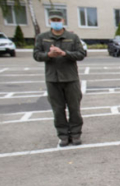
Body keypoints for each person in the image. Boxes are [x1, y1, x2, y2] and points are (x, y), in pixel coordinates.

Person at [33, 10, 86, 147]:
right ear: (50, 21)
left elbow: (81, 54)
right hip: (53, 79)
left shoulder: (72, 37)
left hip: (71, 78)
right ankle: (63, 135)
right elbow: (36, 55)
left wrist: (65, 53)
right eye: (53, 20)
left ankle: (75, 134)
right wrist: (48, 55)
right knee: (58, 109)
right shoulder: (42, 37)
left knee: (74, 108)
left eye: (58, 20)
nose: (56, 22)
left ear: (63, 21)